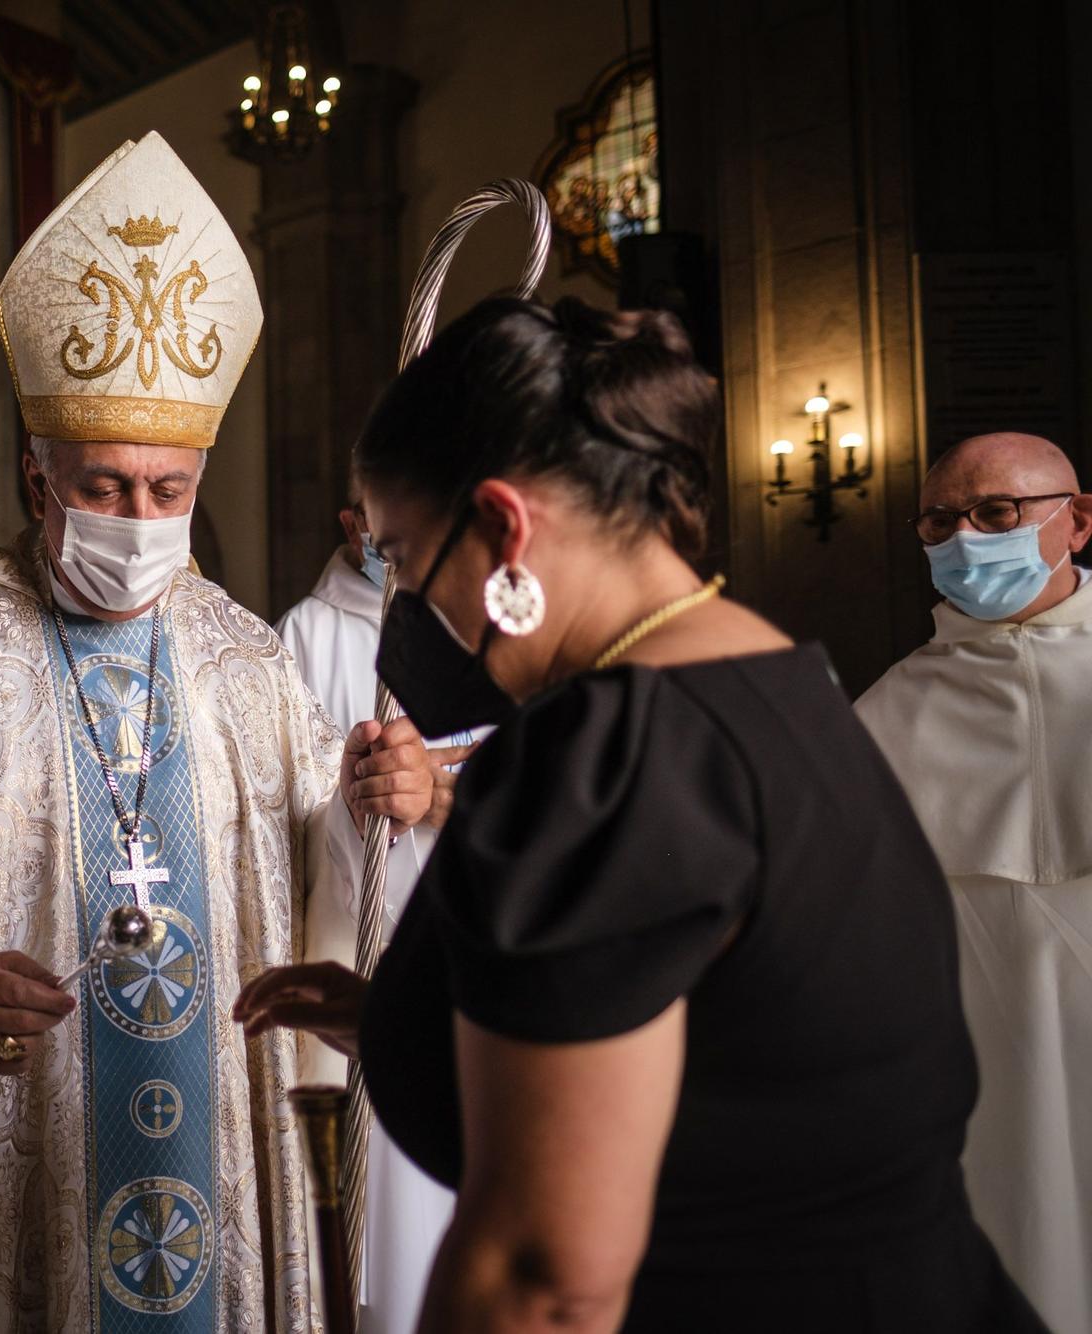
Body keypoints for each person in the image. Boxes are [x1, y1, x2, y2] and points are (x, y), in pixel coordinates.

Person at [236, 298, 1041, 1332]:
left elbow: (544, 1279)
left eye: (405, 560)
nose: (408, 612)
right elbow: (726, 1050)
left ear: (502, 526)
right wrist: (398, 1019)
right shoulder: (774, 674)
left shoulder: (602, 751)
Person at [0, 132, 436, 1333]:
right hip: (13, 1107)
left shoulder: (247, 656)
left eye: (167, 490)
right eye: (102, 486)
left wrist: (376, 798)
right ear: (36, 477)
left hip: (218, 1109)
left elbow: (311, 872)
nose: (136, 517)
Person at [856, 431, 1092, 1334]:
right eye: (940, 521)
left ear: (1077, 523)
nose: (966, 538)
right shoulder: (888, 711)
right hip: (976, 1071)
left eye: (997, 513)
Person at [274, 490, 466, 1334]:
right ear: (349, 522)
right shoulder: (301, 638)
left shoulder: (492, 623)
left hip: (474, 965)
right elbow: (279, 816)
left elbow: (554, 780)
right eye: (365, 516)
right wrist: (355, 799)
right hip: (359, 961)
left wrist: (439, 793)